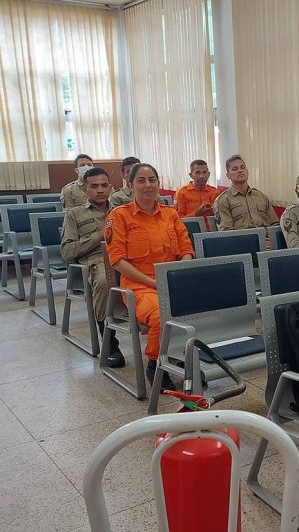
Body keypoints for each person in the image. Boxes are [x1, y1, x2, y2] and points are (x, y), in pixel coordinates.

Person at [105, 163, 194, 390]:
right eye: (141, 181)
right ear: (130, 184)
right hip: (139, 287)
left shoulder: (170, 214)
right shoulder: (119, 216)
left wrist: (177, 276)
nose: (148, 185)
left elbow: (186, 250)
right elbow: (118, 260)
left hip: (173, 281)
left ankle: (193, 362)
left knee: (203, 307)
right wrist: (154, 282)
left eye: (152, 180)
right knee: (160, 315)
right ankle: (156, 364)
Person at [60, 167, 125, 368]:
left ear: (110, 187)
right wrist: (98, 235)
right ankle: (110, 343)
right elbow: (67, 251)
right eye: (94, 186)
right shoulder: (75, 214)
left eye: (104, 185)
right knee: (106, 280)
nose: (100, 190)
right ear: (85, 189)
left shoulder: (122, 210)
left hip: (127, 259)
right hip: (97, 261)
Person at [213, 155, 280, 230]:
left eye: (242, 167)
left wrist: (271, 238)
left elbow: (275, 224)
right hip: (242, 240)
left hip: (267, 239)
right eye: (235, 169)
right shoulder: (223, 200)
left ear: (247, 172)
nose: (240, 170)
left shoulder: (261, 196)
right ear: (228, 176)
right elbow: (226, 231)